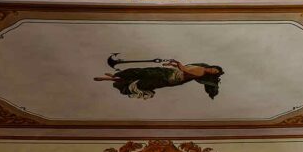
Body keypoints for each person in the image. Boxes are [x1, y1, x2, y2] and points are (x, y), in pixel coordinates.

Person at [94, 60, 224, 100]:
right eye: (214, 69)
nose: (212, 70)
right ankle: (116, 76)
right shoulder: (201, 66)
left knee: (144, 73)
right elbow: (184, 68)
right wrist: (173, 65)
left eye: (214, 72)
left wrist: (176, 62)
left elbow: (184, 69)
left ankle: (117, 77)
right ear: (212, 67)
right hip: (171, 74)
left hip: (170, 77)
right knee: (143, 72)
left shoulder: (201, 72)